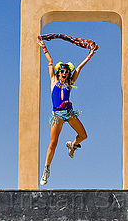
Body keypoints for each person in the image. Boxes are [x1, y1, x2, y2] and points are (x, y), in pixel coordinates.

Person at [37, 37, 95, 185]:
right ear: (58, 72)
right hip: (57, 115)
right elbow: (50, 62)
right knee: (52, 144)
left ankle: (72, 145)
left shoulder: (70, 82)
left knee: (83, 135)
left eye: (66, 72)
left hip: (69, 113)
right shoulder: (53, 80)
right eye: (62, 71)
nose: (64, 74)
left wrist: (90, 54)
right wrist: (44, 46)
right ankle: (46, 169)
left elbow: (80, 68)